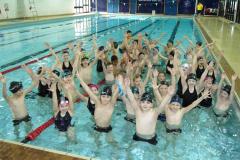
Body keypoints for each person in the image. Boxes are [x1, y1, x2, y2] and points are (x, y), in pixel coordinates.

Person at [125, 77, 174, 145]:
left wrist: (169, 95)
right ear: (140, 103)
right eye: (143, 102)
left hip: (150, 139)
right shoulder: (137, 110)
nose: (145, 104)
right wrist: (127, 87)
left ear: (152, 105)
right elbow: (132, 99)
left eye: (148, 103)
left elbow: (162, 104)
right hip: (137, 136)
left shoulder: (155, 112)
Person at [0, 72, 37, 137]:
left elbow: (33, 84)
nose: (22, 91)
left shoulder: (22, 95)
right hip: (16, 120)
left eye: (22, 89)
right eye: (19, 90)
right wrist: (4, 84)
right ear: (14, 92)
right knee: (16, 132)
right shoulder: (10, 99)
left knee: (30, 129)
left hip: (26, 117)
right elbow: (4, 95)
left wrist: (34, 75)